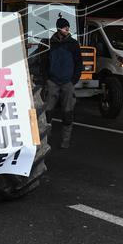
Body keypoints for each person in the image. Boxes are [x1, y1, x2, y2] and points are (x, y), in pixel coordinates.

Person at [44, 15, 82, 148]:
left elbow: (79, 64)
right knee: (47, 112)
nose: (67, 29)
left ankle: (65, 140)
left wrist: (73, 81)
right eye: (65, 27)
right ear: (59, 28)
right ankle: (45, 140)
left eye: (68, 28)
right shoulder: (50, 43)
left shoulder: (73, 44)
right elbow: (44, 63)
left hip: (67, 83)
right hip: (52, 82)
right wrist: (46, 79)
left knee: (68, 112)